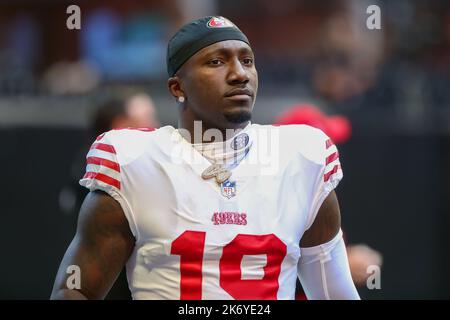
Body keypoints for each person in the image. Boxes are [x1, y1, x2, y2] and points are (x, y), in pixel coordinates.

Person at [51, 16, 359, 300]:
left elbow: (334, 294)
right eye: (216, 61)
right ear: (177, 87)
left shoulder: (301, 159)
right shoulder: (136, 163)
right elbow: (76, 291)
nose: (240, 74)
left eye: (247, 60)